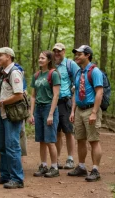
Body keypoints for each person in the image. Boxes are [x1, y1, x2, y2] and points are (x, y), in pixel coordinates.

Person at [68, 45, 103, 182]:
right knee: (80, 139)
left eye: (79, 54)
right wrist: (73, 110)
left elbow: (99, 92)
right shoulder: (79, 73)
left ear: (87, 55)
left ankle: (95, 170)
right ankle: (81, 167)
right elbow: (76, 92)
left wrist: (94, 112)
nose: (76, 56)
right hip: (79, 110)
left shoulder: (95, 71)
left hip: (90, 109)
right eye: (76, 54)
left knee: (93, 140)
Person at [0, 47, 24, 189]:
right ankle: (5, 175)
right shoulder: (3, 73)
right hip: (3, 114)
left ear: (9, 56)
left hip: (12, 115)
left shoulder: (14, 72)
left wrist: (0, 103)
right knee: (3, 146)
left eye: (0, 55)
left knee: (12, 146)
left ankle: (17, 179)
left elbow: (19, 95)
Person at [29, 51, 61, 178]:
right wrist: (31, 114)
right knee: (41, 140)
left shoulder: (53, 74)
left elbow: (56, 95)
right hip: (38, 109)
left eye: (43, 58)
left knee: (50, 140)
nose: (40, 60)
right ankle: (43, 165)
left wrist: (51, 114)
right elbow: (32, 96)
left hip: (49, 108)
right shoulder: (36, 75)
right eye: (39, 57)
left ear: (49, 60)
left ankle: (54, 167)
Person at [52, 43, 79, 169]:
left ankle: (70, 158)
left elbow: (77, 83)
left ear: (64, 51)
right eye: (55, 51)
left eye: (59, 51)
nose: (57, 54)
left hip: (66, 101)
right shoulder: (52, 65)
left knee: (68, 131)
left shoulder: (70, 64)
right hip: (53, 102)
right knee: (56, 132)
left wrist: (74, 108)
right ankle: (56, 159)